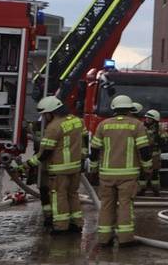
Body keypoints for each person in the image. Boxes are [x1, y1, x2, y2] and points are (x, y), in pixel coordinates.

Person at [90, 94, 151, 247]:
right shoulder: (136, 125)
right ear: (130, 109)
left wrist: (93, 167)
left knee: (106, 205)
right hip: (128, 174)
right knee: (125, 205)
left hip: (106, 173)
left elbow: (95, 149)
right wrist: (147, 167)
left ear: (114, 109)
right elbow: (144, 149)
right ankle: (125, 239)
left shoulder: (103, 125)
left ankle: (104, 239)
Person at [25, 96, 86, 234]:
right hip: (75, 167)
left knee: (59, 197)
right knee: (73, 195)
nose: (44, 118)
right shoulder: (77, 121)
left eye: (44, 115)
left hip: (59, 169)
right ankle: (76, 224)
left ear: (50, 112)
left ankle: (61, 227)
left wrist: (28, 164)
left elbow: (45, 153)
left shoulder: (53, 127)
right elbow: (84, 139)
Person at [139, 109, 163, 197]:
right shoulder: (141, 127)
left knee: (155, 173)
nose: (147, 120)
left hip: (155, 153)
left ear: (155, 120)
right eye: (146, 118)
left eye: (149, 119)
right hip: (144, 152)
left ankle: (155, 190)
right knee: (143, 173)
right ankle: (141, 190)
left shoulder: (159, 129)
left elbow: (165, 138)